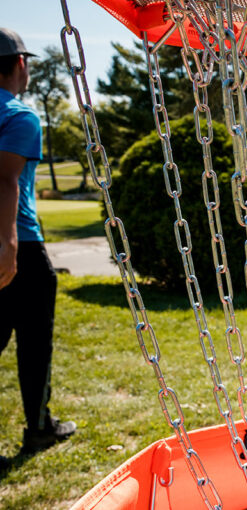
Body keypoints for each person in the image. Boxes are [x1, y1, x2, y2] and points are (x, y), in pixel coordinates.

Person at [0, 27, 76, 467]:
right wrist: (9, 245)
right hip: (20, 246)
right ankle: (39, 427)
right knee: (34, 343)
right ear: (20, 64)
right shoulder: (19, 115)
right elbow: (6, 180)